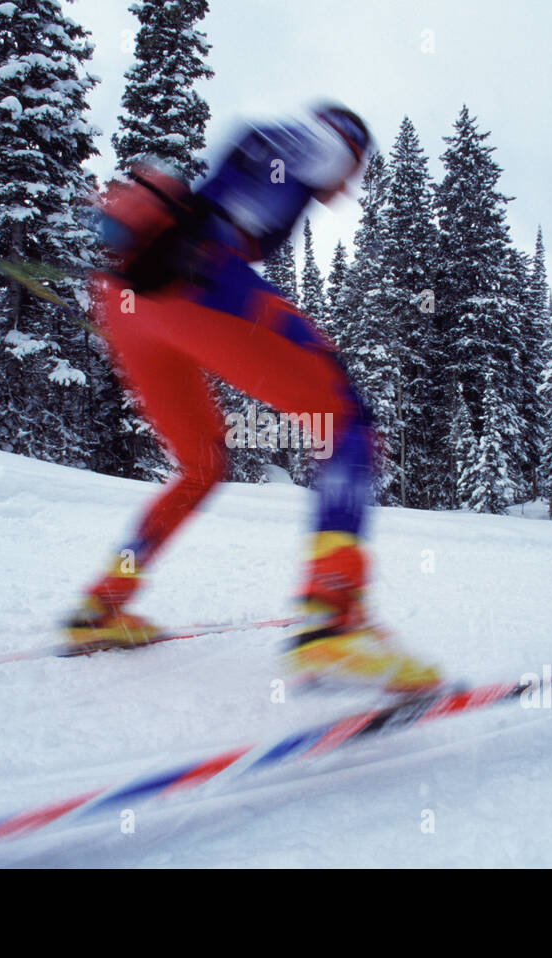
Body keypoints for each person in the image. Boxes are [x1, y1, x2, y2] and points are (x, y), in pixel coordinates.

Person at [65, 105, 441, 694]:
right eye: (356, 168)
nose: (348, 186)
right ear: (346, 147)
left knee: (202, 466)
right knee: (348, 427)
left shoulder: (270, 147)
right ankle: (333, 620)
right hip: (197, 287)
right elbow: (221, 238)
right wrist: (293, 333)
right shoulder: (315, 146)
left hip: (127, 306)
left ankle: (102, 606)